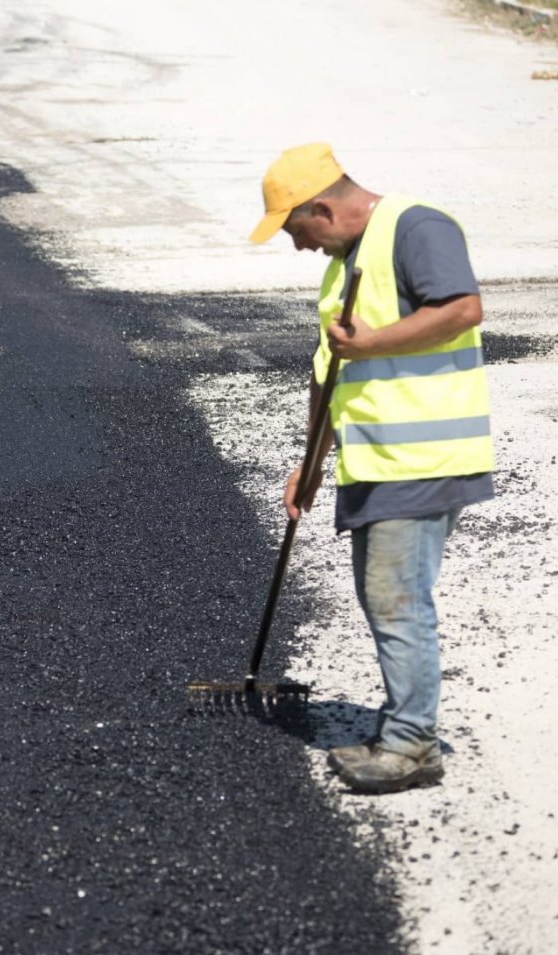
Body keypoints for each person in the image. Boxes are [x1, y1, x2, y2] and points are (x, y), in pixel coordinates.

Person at [249, 143, 493, 794]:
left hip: (423, 458)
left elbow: (464, 309)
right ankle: (404, 723)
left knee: (396, 597)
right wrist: (310, 464)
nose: (299, 247)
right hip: (379, 458)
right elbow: (331, 372)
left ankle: (412, 744)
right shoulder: (344, 264)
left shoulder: (417, 228)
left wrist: (370, 342)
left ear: (323, 208)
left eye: (297, 231)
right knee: (384, 595)